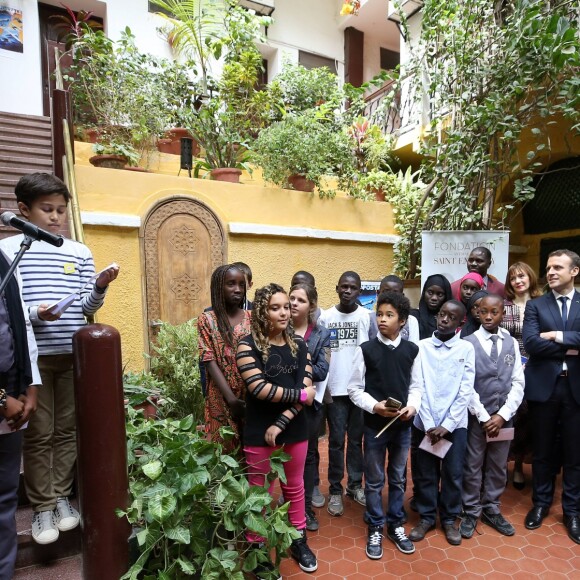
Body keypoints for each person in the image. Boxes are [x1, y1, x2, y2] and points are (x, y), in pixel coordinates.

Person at [0, 173, 120, 546]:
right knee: (38, 433)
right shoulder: (8, 250)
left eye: (61, 211)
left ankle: (62, 499)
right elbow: (9, 308)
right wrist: (38, 313)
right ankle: (41, 507)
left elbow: (86, 306)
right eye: (47, 210)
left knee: (67, 429)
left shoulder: (79, 252)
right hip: (31, 361)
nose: (56, 218)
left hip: (72, 356)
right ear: (23, 209)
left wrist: (98, 287)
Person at [236, 283, 318, 573]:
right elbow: (259, 388)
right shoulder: (247, 346)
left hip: (294, 430)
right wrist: (302, 396)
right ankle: (256, 548)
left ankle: (297, 539)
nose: (284, 312)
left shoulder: (300, 345)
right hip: (259, 431)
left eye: (286, 306)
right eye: (275, 308)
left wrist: (282, 422)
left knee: (294, 487)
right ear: (262, 311)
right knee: (258, 493)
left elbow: (305, 388)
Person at [348, 292, 422, 559]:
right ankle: (375, 525)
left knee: (399, 477)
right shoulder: (366, 350)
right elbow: (354, 389)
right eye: (379, 314)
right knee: (375, 479)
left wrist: (412, 407)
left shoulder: (413, 351)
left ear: (402, 321)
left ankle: (396, 524)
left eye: (389, 315)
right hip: (374, 427)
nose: (382, 319)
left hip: (402, 427)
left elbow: (416, 387)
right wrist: (375, 406)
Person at [522, 249, 580, 545]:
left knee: (575, 453)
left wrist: (555, 336)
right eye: (548, 267)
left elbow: (544, 340)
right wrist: (573, 344)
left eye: (558, 267)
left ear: (575, 271)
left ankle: (572, 511)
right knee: (542, 450)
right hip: (545, 387)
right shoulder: (536, 305)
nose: (551, 272)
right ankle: (541, 503)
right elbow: (531, 343)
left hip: (576, 389)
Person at [409, 300, 475, 546]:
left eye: (451, 317)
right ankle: (426, 516)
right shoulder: (421, 347)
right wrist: (427, 422)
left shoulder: (466, 349)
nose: (444, 319)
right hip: (424, 423)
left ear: (461, 322)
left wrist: (447, 425)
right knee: (424, 472)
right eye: (441, 315)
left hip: (454, 426)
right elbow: (418, 386)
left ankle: (449, 518)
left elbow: (465, 390)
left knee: (453, 473)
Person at [460, 295, 525, 539]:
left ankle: (491, 508)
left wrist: (503, 415)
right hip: (478, 417)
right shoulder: (467, 343)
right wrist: (485, 416)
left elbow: (518, 381)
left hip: (503, 417)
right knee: (473, 463)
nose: (488, 316)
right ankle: (470, 509)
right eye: (484, 311)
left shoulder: (510, 343)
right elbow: (465, 385)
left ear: (502, 314)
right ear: (476, 313)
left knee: (498, 465)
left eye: (494, 312)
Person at [0, 247, 41, 580]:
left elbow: (19, 326)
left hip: (13, 401)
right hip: (4, 400)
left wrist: (30, 387)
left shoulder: (7, 260)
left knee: (5, 497)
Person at [318, 271, 371, 516]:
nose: (348, 291)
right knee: (337, 441)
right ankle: (335, 490)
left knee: (356, 442)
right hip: (335, 391)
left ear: (360, 291)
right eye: (344, 287)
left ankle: (354, 485)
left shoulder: (367, 317)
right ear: (337, 288)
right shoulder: (326, 317)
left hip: (358, 391)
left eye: (353, 288)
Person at [289, 283, 331, 531]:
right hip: (282, 402)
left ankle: (304, 510)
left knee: (308, 457)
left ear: (311, 306)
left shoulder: (321, 334)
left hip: (310, 406)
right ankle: (288, 504)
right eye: (291, 298)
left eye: (300, 300)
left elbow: (323, 370)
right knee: (284, 455)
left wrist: (290, 370)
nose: (294, 303)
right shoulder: (278, 329)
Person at [197, 264, 251, 453]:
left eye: (241, 285)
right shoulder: (207, 320)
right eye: (231, 284)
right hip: (219, 396)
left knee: (250, 452)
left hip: (250, 395)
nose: (237, 289)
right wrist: (231, 399)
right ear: (219, 287)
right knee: (223, 452)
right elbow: (208, 359)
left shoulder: (252, 318)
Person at [501, 261, 542, 490]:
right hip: (508, 368)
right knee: (509, 414)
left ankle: (518, 466)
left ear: (530, 278)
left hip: (536, 366)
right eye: (513, 278)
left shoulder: (542, 304)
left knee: (527, 418)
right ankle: (502, 465)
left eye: (522, 276)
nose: (518, 281)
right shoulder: (504, 306)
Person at [411, 274, 453, 341]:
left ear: (446, 296)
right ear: (424, 292)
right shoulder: (413, 317)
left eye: (440, 294)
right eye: (430, 293)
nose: (434, 298)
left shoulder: (452, 320)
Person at [379, 275, 420, 344]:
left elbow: (413, 349)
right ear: (378, 293)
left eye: (395, 293)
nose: (390, 297)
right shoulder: (368, 319)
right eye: (386, 292)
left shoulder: (411, 321)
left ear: (402, 296)